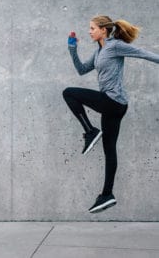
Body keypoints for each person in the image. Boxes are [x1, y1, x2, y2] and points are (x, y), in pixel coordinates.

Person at [62, 15, 159, 213]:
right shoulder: (99, 51)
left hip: (113, 102)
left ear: (103, 30)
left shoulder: (115, 46)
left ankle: (90, 131)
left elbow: (143, 53)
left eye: (92, 28)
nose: (89, 31)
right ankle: (107, 194)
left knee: (69, 93)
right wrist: (72, 48)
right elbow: (81, 70)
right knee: (109, 149)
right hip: (114, 104)